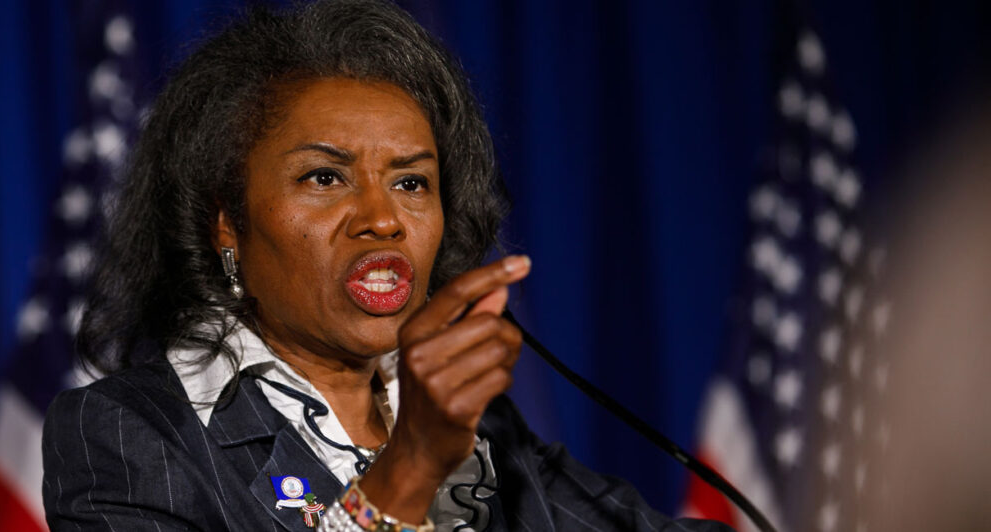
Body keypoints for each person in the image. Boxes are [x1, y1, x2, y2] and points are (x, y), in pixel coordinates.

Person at [41, 1, 732, 531]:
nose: (383, 217)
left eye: (411, 183)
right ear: (228, 224)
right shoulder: (129, 432)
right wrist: (410, 467)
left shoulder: (481, 428)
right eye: (324, 178)